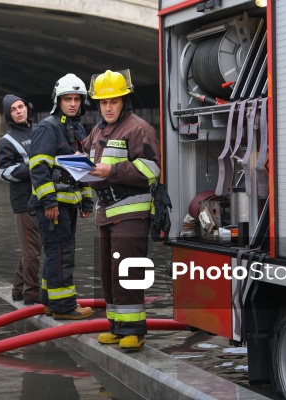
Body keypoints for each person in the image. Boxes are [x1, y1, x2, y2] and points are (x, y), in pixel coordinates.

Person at [83, 69, 161, 351]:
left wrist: (111, 170)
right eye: (103, 102)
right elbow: (88, 160)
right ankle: (116, 327)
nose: (108, 107)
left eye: (113, 101)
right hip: (106, 213)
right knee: (109, 274)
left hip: (131, 212)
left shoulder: (138, 128)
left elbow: (151, 170)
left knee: (128, 273)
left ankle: (135, 331)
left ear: (124, 101)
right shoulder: (97, 130)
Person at [28, 73, 94, 320]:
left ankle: (48, 301)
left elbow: (81, 168)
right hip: (53, 206)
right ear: (59, 100)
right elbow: (39, 167)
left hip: (68, 204)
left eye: (77, 99)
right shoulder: (48, 127)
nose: (73, 103)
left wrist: (86, 200)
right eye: (68, 98)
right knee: (60, 254)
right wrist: (49, 202)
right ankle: (64, 307)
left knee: (58, 252)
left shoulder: (75, 128)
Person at [0, 94, 42, 305]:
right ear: (9, 115)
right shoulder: (6, 142)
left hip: (43, 198)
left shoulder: (39, 131)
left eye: (21, 106)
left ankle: (17, 289)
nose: (19, 111)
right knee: (31, 252)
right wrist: (32, 166)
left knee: (31, 249)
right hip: (24, 203)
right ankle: (31, 295)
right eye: (14, 109)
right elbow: (4, 173)